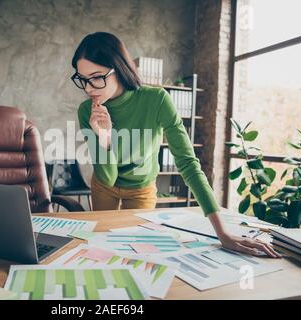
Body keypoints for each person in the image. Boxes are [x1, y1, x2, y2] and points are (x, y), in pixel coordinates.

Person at [71, 32, 280, 258]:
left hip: (141, 186)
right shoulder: (87, 112)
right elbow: (108, 177)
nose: (89, 88)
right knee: (101, 249)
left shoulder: (156, 100)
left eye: (96, 77)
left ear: (119, 68)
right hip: (104, 183)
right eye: (82, 79)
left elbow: (188, 163)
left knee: (136, 252)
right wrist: (105, 138)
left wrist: (223, 233)